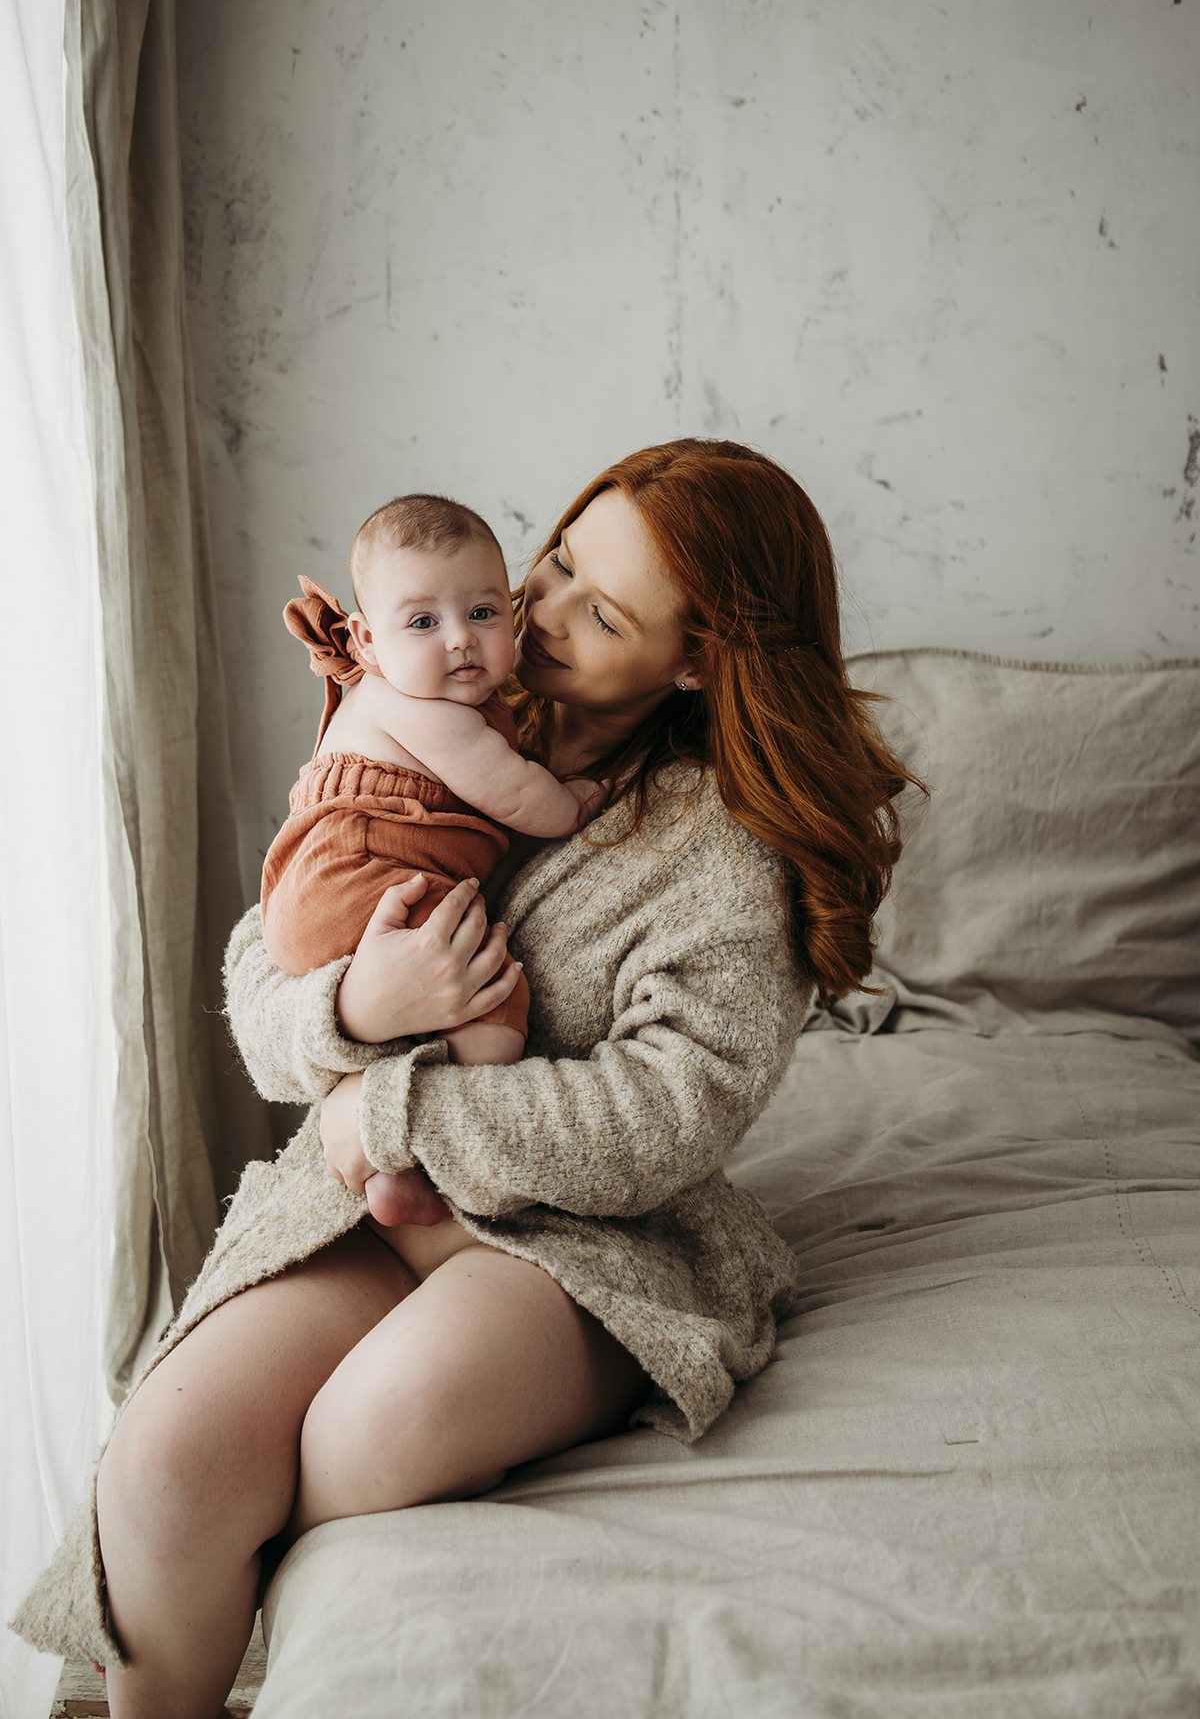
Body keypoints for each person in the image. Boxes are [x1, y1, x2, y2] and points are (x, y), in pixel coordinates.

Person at [13, 438, 913, 1719]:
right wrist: (350, 1006)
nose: (533, 615)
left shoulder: (726, 849)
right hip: (365, 1210)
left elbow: (664, 1116)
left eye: (599, 612)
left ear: (699, 659)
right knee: (163, 1471)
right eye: (553, 562)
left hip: (583, 1241)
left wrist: (386, 1106)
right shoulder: (432, 697)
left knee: (371, 1432)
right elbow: (276, 947)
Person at [260, 494, 605, 1226]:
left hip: (317, 879)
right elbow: (517, 795)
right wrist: (571, 802)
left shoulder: (399, 693)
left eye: (482, 612)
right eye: (423, 622)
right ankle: (413, 1156)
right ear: (366, 641)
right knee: (489, 991)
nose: (460, 641)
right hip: (361, 872)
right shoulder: (423, 710)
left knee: (429, 1000)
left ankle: (380, 1119)